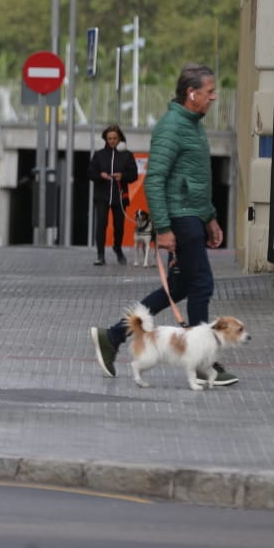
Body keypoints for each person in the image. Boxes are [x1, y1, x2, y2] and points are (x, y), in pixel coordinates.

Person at [88, 64, 237, 387]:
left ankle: (112, 336)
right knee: (202, 285)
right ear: (191, 93)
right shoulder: (171, 127)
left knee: (181, 287)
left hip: (193, 216)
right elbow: (155, 180)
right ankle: (201, 361)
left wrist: (210, 215)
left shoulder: (193, 125)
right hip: (180, 219)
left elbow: (198, 179)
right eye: (210, 92)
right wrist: (165, 228)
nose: (214, 97)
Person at [88, 125, 138, 266]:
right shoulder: (99, 155)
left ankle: (117, 248)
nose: (112, 141)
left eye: (115, 138)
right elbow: (90, 173)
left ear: (119, 138)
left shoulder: (127, 155)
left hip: (119, 196)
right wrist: (100, 175)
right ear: (106, 139)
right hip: (102, 196)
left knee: (119, 226)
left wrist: (122, 176)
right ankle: (100, 255)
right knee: (101, 224)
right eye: (109, 138)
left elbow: (133, 175)